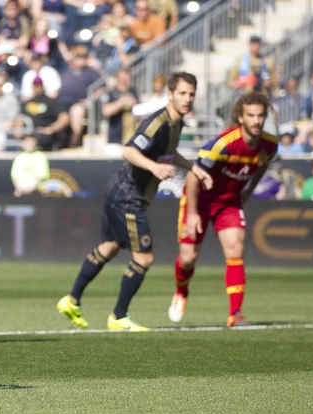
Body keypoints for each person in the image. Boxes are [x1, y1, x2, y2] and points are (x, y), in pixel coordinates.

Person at [58, 72, 213, 332]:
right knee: (144, 257)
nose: (187, 99)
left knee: (109, 247)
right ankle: (118, 316)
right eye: (182, 93)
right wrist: (154, 167)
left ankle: (71, 300)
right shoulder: (158, 123)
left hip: (121, 191)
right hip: (129, 196)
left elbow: (168, 152)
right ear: (170, 94)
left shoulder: (177, 122)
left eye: (191, 94)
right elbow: (129, 150)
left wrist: (192, 168)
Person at [169, 91, 278, 327]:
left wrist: (248, 190)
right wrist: (194, 213)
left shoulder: (269, 145)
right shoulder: (222, 144)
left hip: (229, 203)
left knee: (235, 250)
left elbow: (262, 165)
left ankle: (235, 314)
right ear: (240, 117)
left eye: (260, 116)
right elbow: (193, 175)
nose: (256, 121)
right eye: (251, 116)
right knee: (188, 259)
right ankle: (181, 292)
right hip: (199, 200)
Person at [22, 76, 69, 150]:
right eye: (35, 85)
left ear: (43, 86)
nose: (37, 88)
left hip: (44, 134)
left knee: (34, 137)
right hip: (28, 132)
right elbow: (20, 118)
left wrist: (51, 129)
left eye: (39, 85)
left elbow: (64, 117)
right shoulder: (27, 103)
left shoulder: (51, 102)